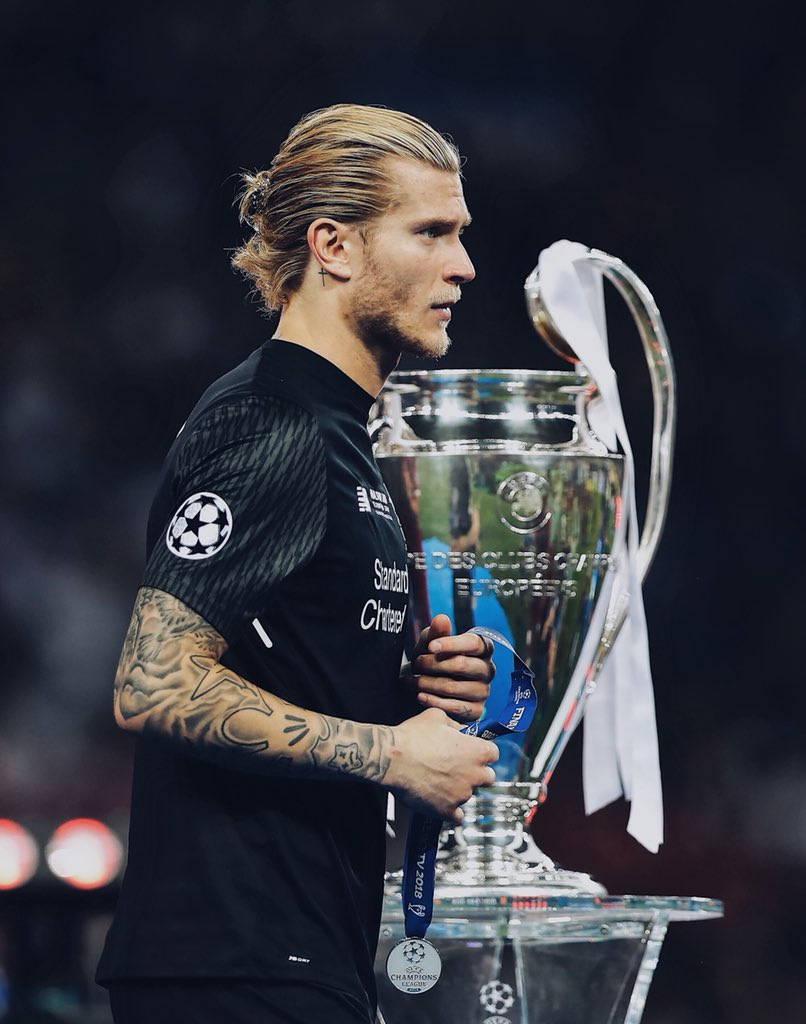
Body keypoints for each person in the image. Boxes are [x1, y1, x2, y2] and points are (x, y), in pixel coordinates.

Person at [96, 103, 498, 1024]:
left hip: (291, 958)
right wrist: (394, 752)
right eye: (431, 232)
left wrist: (405, 686)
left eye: (460, 233)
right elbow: (154, 682)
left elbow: (283, 662)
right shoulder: (272, 424)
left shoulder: (339, 437)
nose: (463, 265)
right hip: (233, 968)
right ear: (334, 246)